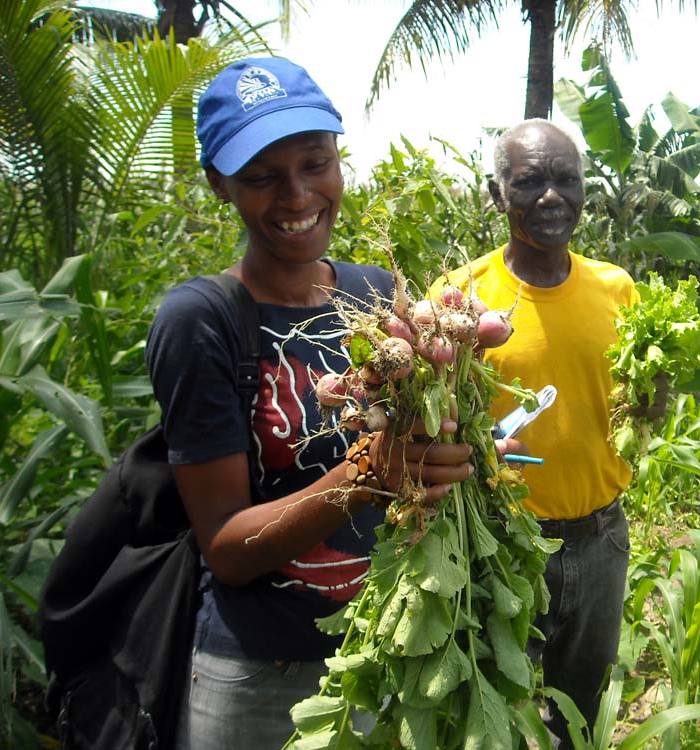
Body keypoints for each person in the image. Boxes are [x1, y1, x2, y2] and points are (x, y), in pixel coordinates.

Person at [146, 57, 474, 750]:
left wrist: (461, 442)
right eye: (263, 177)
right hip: (260, 675)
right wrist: (368, 472)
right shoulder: (200, 319)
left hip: (388, 653)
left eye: (315, 163)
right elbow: (229, 551)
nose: (297, 196)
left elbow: (414, 472)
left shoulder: (378, 291)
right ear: (220, 185)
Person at [433, 119, 666, 748]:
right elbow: (432, 426)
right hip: (499, 543)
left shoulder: (616, 290)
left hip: (600, 539)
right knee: (490, 713)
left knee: (579, 715)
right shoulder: (461, 298)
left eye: (567, 180)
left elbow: (642, 409)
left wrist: (655, 400)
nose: (551, 197)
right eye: (530, 180)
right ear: (495, 191)